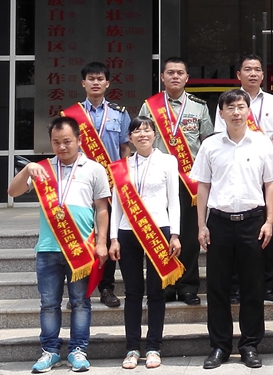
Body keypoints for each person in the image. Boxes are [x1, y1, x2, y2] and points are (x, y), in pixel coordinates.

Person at [7, 116, 110, 373]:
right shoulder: (42, 169)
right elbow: (12, 192)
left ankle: (78, 350)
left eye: (67, 141)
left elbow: (101, 208)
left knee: (80, 302)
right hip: (48, 248)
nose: (62, 147)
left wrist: (102, 242)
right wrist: (26, 170)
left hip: (80, 249)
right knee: (49, 303)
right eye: (56, 142)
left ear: (79, 140)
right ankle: (50, 351)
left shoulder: (94, 169)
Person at [192, 89, 273, 370]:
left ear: (248, 111)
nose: (236, 112)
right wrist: (201, 224)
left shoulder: (262, 143)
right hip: (219, 223)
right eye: (230, 107)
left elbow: (271, 184)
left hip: (253, 222)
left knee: (253, 286)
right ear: (221, 113)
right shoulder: (210, 145)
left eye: (241, 107)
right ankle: (219, 346)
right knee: (217, 287)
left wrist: (269, 222)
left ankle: (250, 345)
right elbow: (203, 185)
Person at [138, 57, 213, 306]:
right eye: (170, 72)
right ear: (162, 77)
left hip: (190, 181)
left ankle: (188, 286)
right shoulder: (150, 107)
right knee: (162, 232)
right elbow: (140, 140)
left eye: (180, 73)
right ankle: (165, 284)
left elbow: (207, 143)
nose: (175, 76)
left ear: (187, 78)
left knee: (189, 235)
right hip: (158, 180)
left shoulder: (199, 107)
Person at [216, 54, 273, 304]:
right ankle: (236, 286)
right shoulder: (228, 102)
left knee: (267, 229)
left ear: (262, 74)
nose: (253, 73)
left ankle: (267, 284)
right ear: (239, 74)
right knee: (237, 237)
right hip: (236, 170)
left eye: (257, 69)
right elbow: (220, 134)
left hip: (265, 170)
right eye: (247, 69)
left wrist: (263, 153)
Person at [109, 116, 182, 370]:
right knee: (132, 292)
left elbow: (174, 199)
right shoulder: (121, 167)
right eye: (137, 131)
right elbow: (116, 205)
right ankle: (132, 347)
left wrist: (175, 234)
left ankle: (153, 347)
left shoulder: (168, 161)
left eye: (147, 130)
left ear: (154, 135)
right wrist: (113, 238)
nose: (142, 134)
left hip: (158, 230)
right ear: (129, 138)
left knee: (156, 292)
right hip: (127, 232)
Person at [71, 61, 131, 309]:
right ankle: (79, 289)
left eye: (100, 79)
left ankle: (107, 288)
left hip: (111, 181)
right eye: (91, 79)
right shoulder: (73, 116)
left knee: (108, 235)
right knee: (82, 233)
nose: (95, 83)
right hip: (81, 181)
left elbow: (125, 148)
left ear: (107, 83)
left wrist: (125, 179)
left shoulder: (120, 113)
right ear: (83, 83)